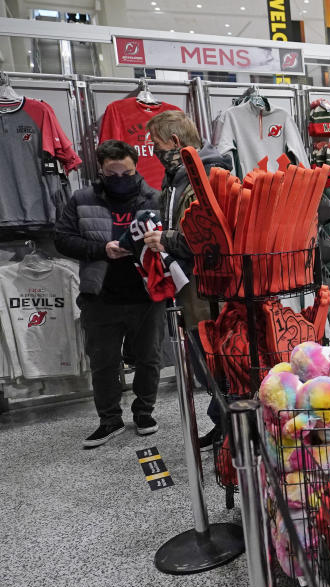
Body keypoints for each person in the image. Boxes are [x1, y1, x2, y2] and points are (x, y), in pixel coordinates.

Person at [54, 140, 163, 448]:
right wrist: (100, 250)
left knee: (149, 359)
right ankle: (109, 420)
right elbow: (62, 239)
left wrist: (158, 241)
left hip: (146, 295)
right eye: (112, 174)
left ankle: (144, 413)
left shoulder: (155, 198)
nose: (120, 179)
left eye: (126, 172)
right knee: (103, 362)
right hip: (99, 295)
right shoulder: (81, 199)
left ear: (135, 167)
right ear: (100, 170)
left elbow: (174, 239)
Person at [143, 110, 233, 450]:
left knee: (214, 359)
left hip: (208, 287)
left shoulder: (205, 175)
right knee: (203, 360)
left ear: (175, 142)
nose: (152, 150)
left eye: (156, 143)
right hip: (189, 284)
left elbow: (207, 237)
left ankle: (231, 428)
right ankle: (222, 422)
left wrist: (164, 240)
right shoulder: (177, 176)